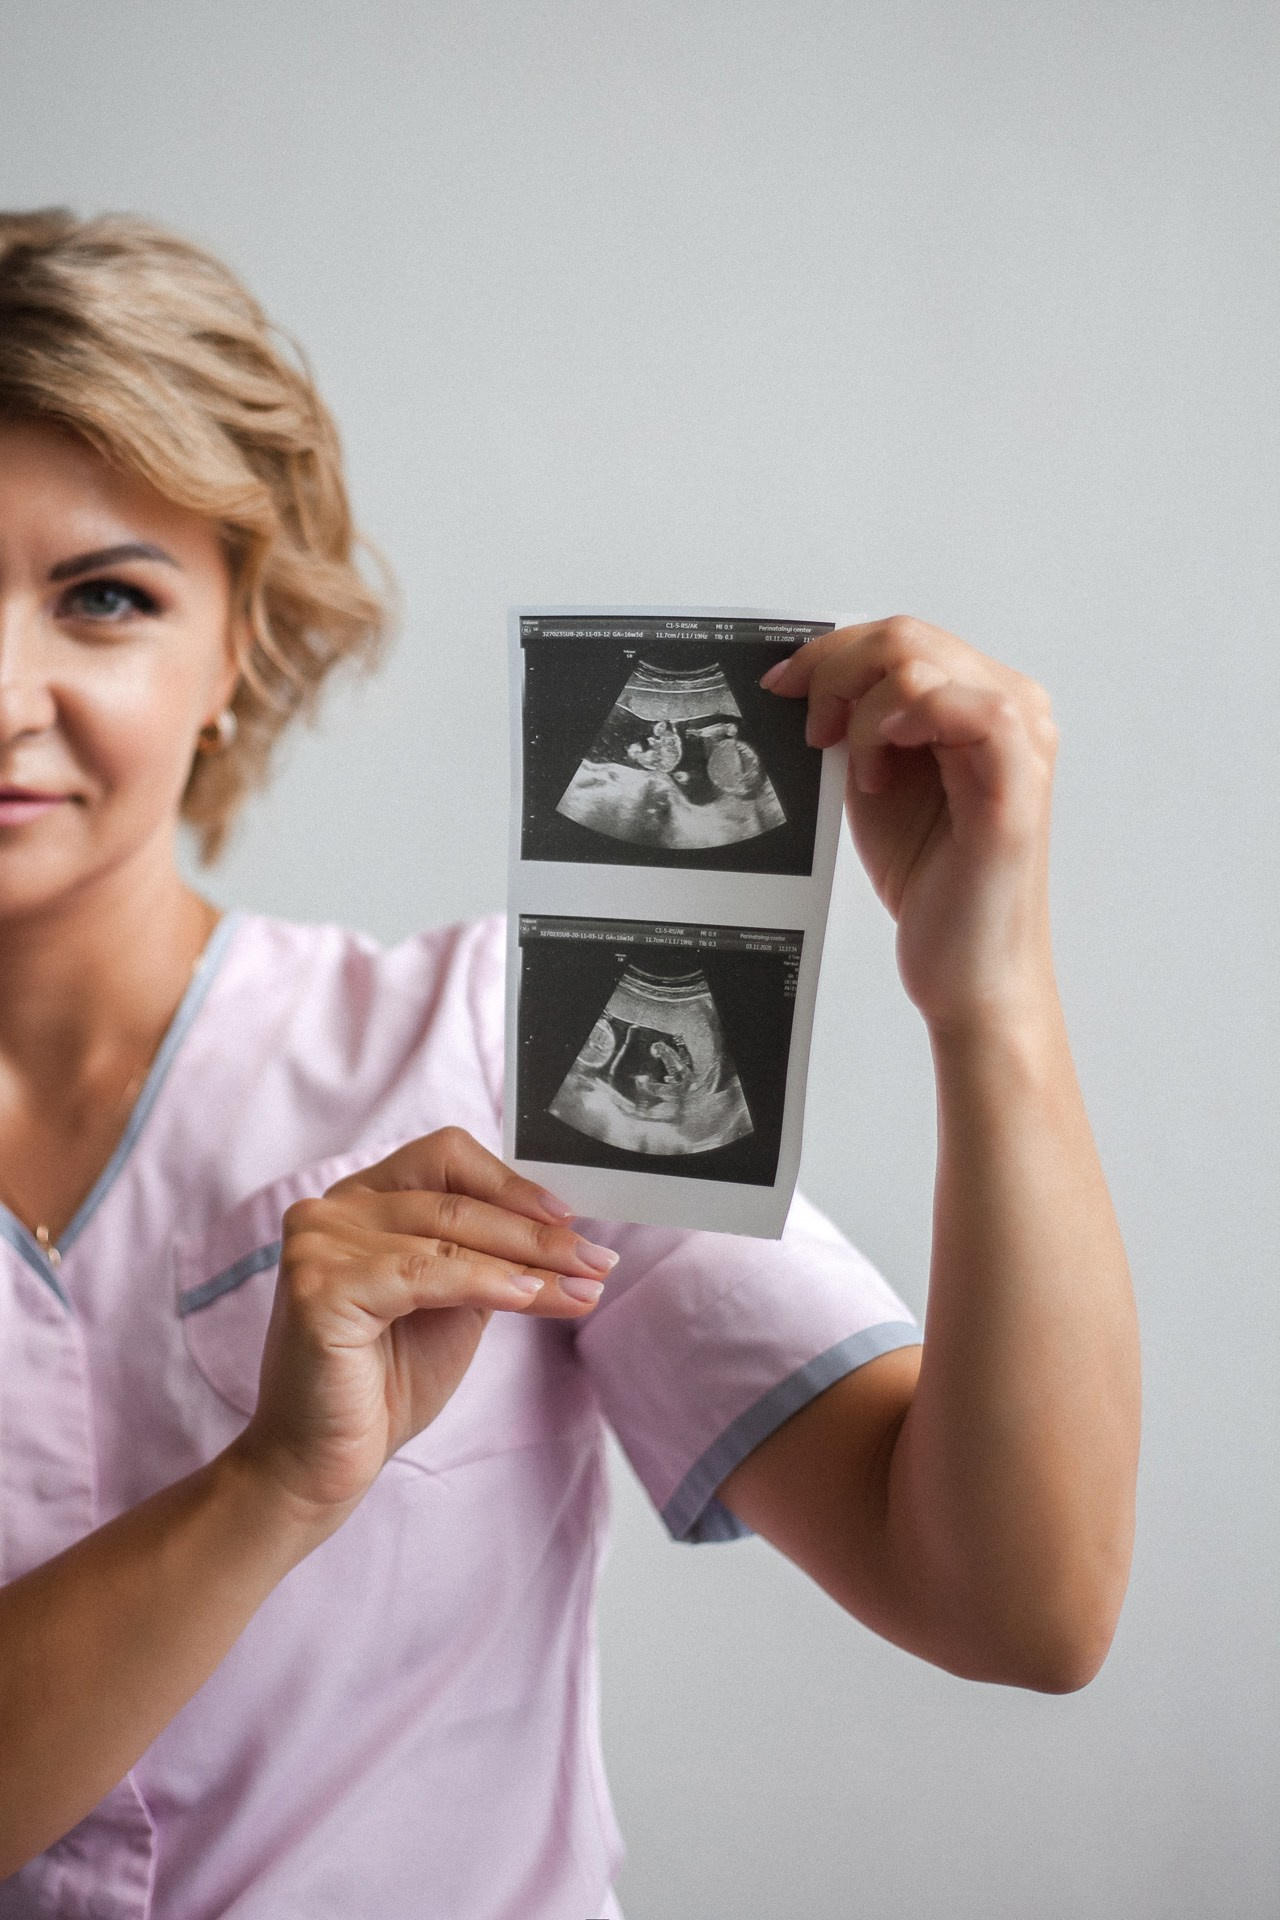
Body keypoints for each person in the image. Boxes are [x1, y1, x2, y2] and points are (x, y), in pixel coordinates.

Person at [0, 210, 1140, 1920]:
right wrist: (268, 1490)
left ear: (241, 638)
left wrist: (992, 1004)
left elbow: (1017, 1603)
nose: (2, 690)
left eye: (104, 597)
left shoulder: (510, 1044)